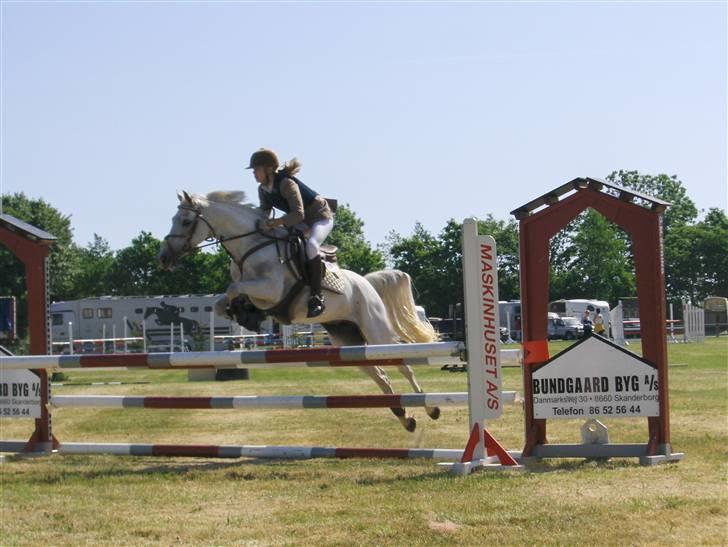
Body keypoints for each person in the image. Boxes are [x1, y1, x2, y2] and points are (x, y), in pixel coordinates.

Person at [247, 148, 334, 318]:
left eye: (256, 169)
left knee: (311, 246)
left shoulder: (286, 183)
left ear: (269, 169)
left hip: (319, 217)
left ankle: (317, 296)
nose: (254, 174)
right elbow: (264, 212)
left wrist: (275, 223)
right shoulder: (263, 189)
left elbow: (298, 214)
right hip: (299, 221)